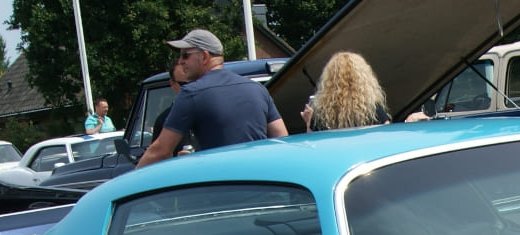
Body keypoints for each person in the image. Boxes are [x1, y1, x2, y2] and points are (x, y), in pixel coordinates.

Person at [137, 28, 287, 168]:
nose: (181, 61)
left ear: (204, 56)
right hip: (263, 184)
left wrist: (127, 183)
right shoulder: (258, 89)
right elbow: (281, 139)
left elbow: (160, 151)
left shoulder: (191, 93)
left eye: (185, 55)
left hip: (223, 188)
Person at [301, 51, 390, 132]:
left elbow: (314, 144)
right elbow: (386, 134)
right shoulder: (372, 109)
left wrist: (308, 123)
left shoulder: (321, 113)